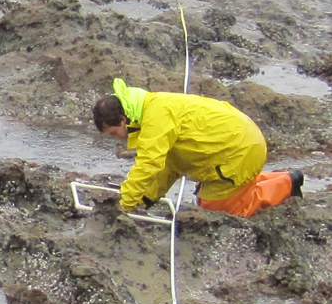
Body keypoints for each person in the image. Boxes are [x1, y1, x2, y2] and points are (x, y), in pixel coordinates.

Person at [92, 78, 304, 217]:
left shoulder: (155, 118)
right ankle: (280, 179)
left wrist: (124, 204)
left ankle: (285, 186)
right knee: (217, 193)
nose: (116, 139)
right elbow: (169, 167)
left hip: (239, 150)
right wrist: (144, 200)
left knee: (216, 213)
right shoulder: (151, 109)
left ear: (122, 118)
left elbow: (148, 165)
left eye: (113, 133)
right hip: (238, 144)